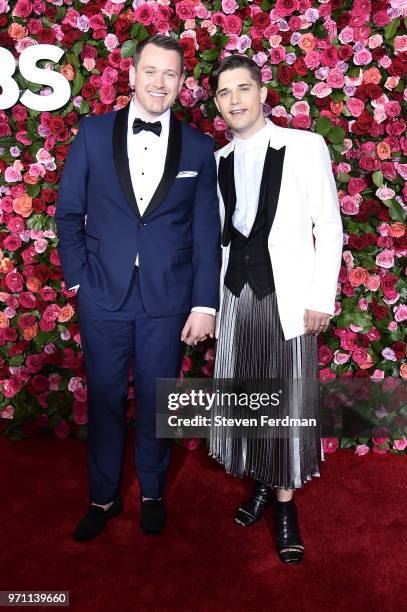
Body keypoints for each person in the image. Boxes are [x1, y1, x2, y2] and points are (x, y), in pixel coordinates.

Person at [56, 35, 221, 541]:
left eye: (170, 75)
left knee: (157, 401)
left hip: (167, 300)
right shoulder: (92, 132)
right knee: (104, 398)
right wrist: (80, 280)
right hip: (102, 294)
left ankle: (151, 491)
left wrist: (203, 303)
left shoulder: (198, 146)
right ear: (131, 74)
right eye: (151, 71)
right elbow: (67, 216)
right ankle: (103, 498)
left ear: (181, 84)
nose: (159, 83)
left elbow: (205, 233)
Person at [208, 55, 343, 563]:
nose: (236, 99)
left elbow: (328, 227)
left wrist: (318, 299)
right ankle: (262, 484)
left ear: (262, 92)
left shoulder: (306, 147)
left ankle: (285, 505)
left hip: (286, 299)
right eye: (225, 93)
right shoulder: (218, 160)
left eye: (244, 88)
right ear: (218, 104)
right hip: (235, 297)